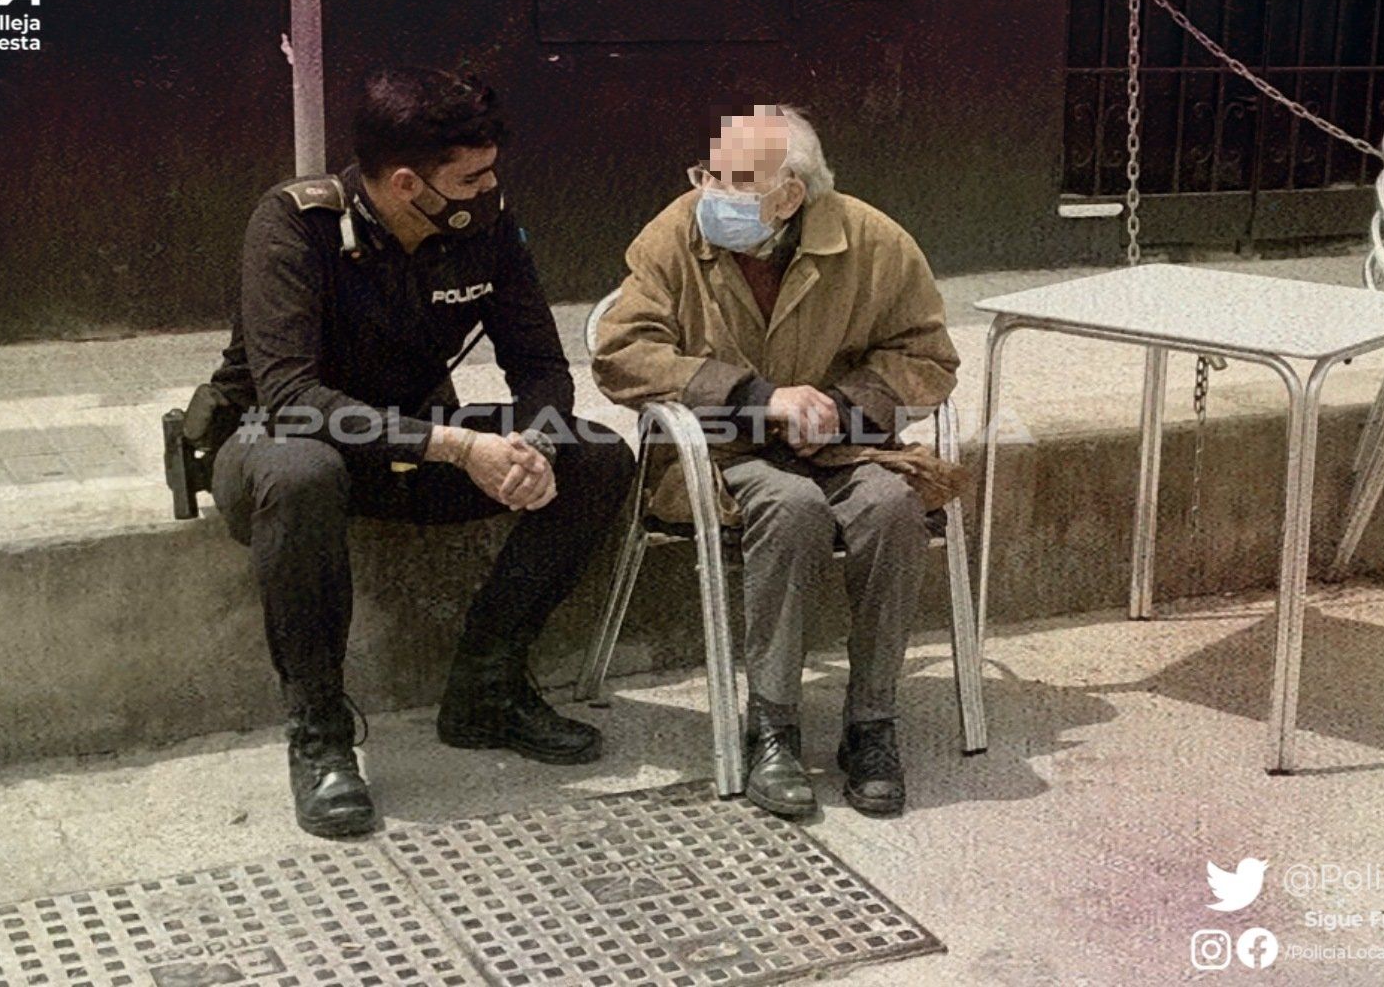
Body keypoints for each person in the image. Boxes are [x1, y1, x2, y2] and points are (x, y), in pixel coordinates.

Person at [205, 67, 636, 837]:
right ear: (407, 184)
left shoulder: (488, 222)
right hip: (281, 449)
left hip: (411, 447)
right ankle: (320, 733)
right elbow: (292, 399)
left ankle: (487, 688)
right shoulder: (293, 225)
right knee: (304, 472)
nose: (491, 186)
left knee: (596, 455)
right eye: (471, 175)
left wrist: (531, 446)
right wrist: (456, 445)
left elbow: (538, 364)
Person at [592, 105, 961, 819]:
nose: (711, 193)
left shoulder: (873, 241)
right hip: (721, 450)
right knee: (789, 508)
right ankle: (773, 726)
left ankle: (871, 724)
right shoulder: (675, 233)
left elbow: (927, 354)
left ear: (792, 193)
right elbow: (621, 354)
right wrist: (759, 399)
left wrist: (838, 409)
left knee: (891, 506)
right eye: (707, 173)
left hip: (843, 445)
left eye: (735, 181)